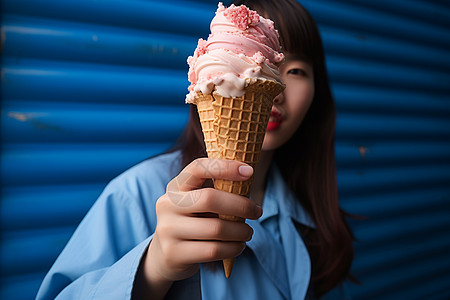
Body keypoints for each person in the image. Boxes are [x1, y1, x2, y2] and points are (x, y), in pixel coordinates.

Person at [36, 0, 354, 299]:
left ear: (318, 93)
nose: (276, 88)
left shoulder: (307, 211)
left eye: (295, 70)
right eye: (253, 60)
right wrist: (152, 268)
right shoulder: (135, 194)